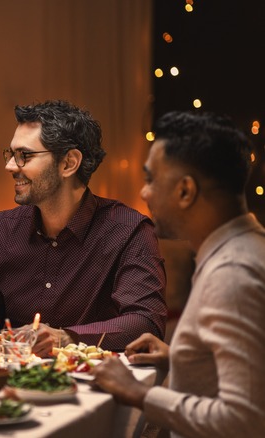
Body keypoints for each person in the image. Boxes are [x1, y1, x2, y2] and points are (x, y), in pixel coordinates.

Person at [0, 100, 167, 356]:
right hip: (14, 384)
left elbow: (145, 323)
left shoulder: (128, 231)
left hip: (97, 386)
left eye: (24, 155)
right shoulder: (1, 230)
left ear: (69, 163)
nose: (10, 166)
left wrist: (65, 337)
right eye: (11, 154)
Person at [91, 111, 265, 436]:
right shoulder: (243, 248)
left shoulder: (232, 273)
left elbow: (246, 421)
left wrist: (140, 393)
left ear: (186, 191)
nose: (143, 193)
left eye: (151, 179)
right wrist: (182, 358)